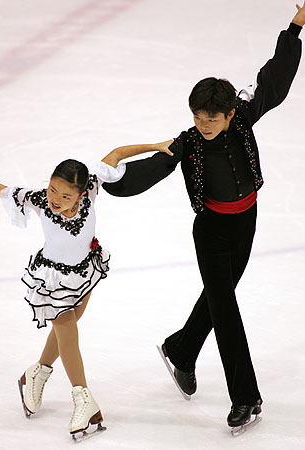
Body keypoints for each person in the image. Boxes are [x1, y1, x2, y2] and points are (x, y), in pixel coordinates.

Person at [101, 4, 304, 430]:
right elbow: (148, 172)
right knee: (226, 308)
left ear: (230, 113)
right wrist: (111, 178)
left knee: (219, 297)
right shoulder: (187, 143)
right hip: (210, 231)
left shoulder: (244, 114)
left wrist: (295, 28)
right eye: (197, 115)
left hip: (247, 221)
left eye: (211, 117)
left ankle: (181, 350)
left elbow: (274, 79)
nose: (203, 123)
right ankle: (246, 397)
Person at [0, 143, 173, 439]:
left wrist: (154, 146)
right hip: (52, 280)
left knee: (68, 328)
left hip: (84, 272)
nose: (55, 200)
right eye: (52, 190)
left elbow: (114, 155)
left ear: (80, 193)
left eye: (65, 195)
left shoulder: (91, 187)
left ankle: (35, 374)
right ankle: (83, 398)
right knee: (68, 332)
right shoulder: (38, 200)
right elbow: (3, 190)